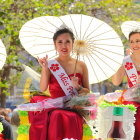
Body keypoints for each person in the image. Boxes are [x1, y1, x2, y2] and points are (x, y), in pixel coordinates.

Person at [28, 27, 90, 140]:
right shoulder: (51, 64)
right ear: (55, 44)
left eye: (67, 42)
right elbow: (42, 88)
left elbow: (87, 91)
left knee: (69, 116)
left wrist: (78, 87)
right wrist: (45, 68)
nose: (64, 46)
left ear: (73, 44)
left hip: (74, 107)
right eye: (60, 42)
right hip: (55, 107)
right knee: (57, 115)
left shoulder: (81, 65)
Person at [112, 29, 140, 140]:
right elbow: (115, 82)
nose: (134, 44)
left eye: (138, 41)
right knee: (134, 112)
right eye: (132, 41)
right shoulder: (126, 61)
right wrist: (120, 62)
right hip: (132, 100)